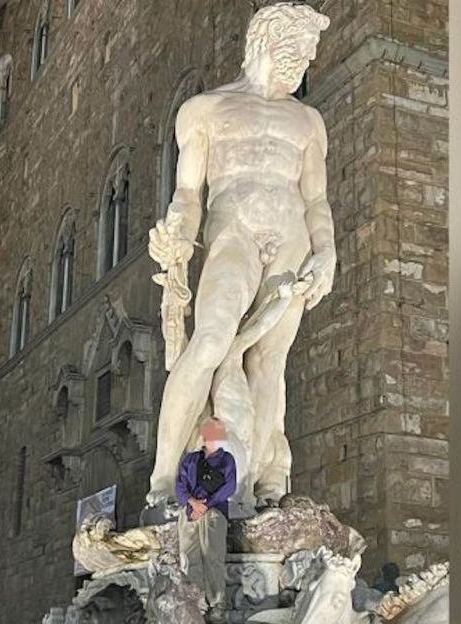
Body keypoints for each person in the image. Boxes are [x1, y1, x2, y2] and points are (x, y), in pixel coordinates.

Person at [146, 2, 334, 506]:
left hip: (291, 236)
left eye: (311, 54)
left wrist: (328, 251)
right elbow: (188, 193)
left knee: (270, 361)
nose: (305, 62)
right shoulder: (205, 110)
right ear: (268, 41)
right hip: (233, 232)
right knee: (208, 342)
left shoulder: (309, 121)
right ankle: (164, 478)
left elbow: (316, 199)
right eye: (300, 50)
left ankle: (255, 482)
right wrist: (178, 230)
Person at [176, 419, 237, 623]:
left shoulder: (226, 459)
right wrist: (192, 502)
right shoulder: (191, 460)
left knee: (213, 555)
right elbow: (180, 485)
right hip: (191, 513)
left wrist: (205, 505)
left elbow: (230, 487)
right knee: (190, 557)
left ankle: (217, 603)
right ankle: (198, 602)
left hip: (213, 512)